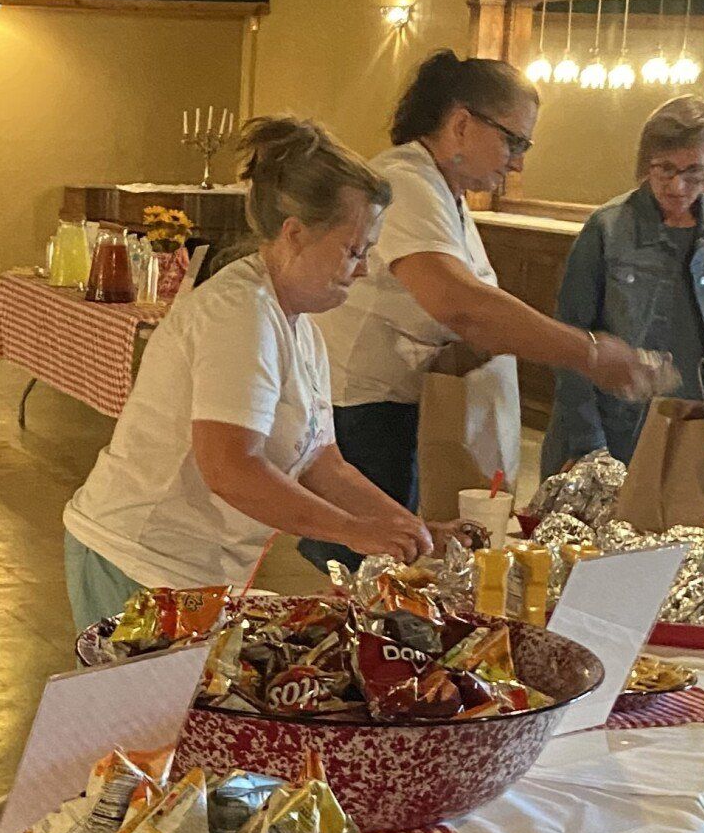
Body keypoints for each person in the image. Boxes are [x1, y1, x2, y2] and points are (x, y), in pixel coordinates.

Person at [61, 115, 433, 630]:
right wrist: (352, 531)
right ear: (295, 234)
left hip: (193, 572)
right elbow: (231, 469)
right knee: (146, 714)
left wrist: (411, 530)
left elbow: (325, 464)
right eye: (354, 251)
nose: (364, 269)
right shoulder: (241, 313)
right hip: (138, 560)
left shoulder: (298, 323)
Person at [322, 50, 658, 520]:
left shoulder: (444, 191)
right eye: (514, 142)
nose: (518, 164)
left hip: (400, 406)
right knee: (373, 563)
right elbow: (459, 304)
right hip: (366, 413)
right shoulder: (405, 181)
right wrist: (589, 353)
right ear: (461, 124)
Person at [543, 95, 704, 474]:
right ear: (645, 164)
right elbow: (570, 341)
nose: (678, 185)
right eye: (664, 169)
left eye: (694, 172)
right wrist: (589, 445)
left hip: (699, 429)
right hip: (615, 428)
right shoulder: (608, 228)